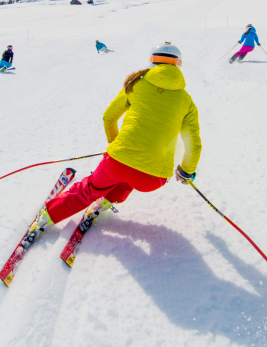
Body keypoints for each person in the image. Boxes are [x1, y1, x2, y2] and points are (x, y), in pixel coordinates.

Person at [37, 42, 202, 230]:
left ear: (152, 62)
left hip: (117, 163)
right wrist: (186, 171)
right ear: (178, 64)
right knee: (128, 178)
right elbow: (194, 145)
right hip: (153, 178)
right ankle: (107, 201)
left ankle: (48, 215)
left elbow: (109, 117)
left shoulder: (137, 84)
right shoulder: (187, 101)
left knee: (91, 188)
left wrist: (116, 145)